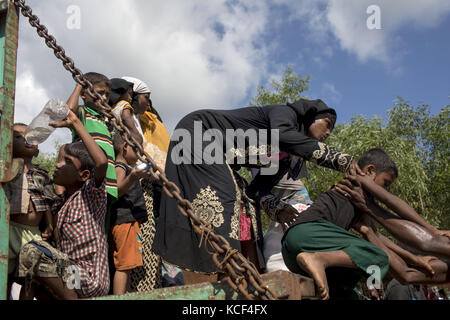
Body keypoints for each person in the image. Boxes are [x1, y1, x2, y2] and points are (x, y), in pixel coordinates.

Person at [153, 98, 362, 281]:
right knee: (227, 195)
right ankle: (221, 267)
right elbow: (282, 134)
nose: (328, 133)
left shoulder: (285, 158)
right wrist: (339, 159)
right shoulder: (285, 114)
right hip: (197, 133)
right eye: (327, 125)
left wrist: (278, 208)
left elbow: (257, 190)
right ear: (310, 116)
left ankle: (239, 273)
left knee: (246, 203)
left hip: (215, 153)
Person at [16, 109, 110, 299]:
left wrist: (75, 123)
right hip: (68, 274)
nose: (57, 165)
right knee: (31, 266)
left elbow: (101, 163)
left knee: (32, 251)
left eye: (66, 161)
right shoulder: (59, 203)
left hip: (88, 278)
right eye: (59, 159)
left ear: (84, 175)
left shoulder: (91, 196)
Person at [66, 73, 118, 232]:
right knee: (84, 228)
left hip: (108, 187)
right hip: (87, 184)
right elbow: (68, 112)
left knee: (101, 232)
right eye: (99, 92)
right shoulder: (83, 114)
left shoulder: (105, 121)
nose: (103, 97)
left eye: (107, 94)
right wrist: (78, 85)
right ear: (84, 94)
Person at [7, 123, 57, 288]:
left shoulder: (41, 172)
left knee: (32, 279)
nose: (26, 138)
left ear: (37, 150)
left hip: (32, 232)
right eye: (18, 136)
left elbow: (47, 200)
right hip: (9, 229)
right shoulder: (7, 168)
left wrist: (49, 224)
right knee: (5, 273)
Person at [110, 131, 149, 295]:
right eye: (137, 149)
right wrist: (132, 177)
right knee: (124, 266)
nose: (140, 154)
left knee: (128, 264)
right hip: (124, 221)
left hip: (129, 221)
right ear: (125, 146)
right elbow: (116, 191)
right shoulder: (120, 167)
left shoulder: (126, 167)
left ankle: (124, 295)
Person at [109, 78, 144, 145]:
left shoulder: (111, 107)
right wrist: (136, 133)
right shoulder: (124, 104)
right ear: (120, 93)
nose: (131, 98)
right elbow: (126, 118)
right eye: (129, 94)